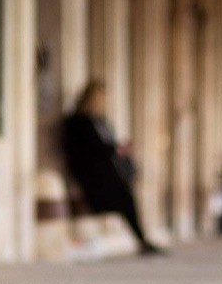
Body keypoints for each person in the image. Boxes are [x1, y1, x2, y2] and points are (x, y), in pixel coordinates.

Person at [62, 80, 162, 255]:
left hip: (107, 174)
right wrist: (116, 148)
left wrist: (119, 149)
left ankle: (142, 240)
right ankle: (141, 240)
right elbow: (86, 151)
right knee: (124, 197)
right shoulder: (78, 122)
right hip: (92, 177)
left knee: (126, 195)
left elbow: (107, 145)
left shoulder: (102, 121)